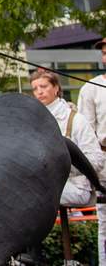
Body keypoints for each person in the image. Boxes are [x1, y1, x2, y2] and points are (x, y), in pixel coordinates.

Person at [31, 69, 105, 205]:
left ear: (56, 88)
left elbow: (98, 159)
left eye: (43, 86)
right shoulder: (32, 121)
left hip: (76, 186)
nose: (39, 92)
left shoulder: (75, 119)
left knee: (32, 192)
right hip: (44, 182)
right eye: (35, 89)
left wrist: (66, 167)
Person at [77, 36, 106, 266]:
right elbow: (87, 133)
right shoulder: (91, 88)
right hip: (105, 159)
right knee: (105, 221)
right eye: (104, 53)